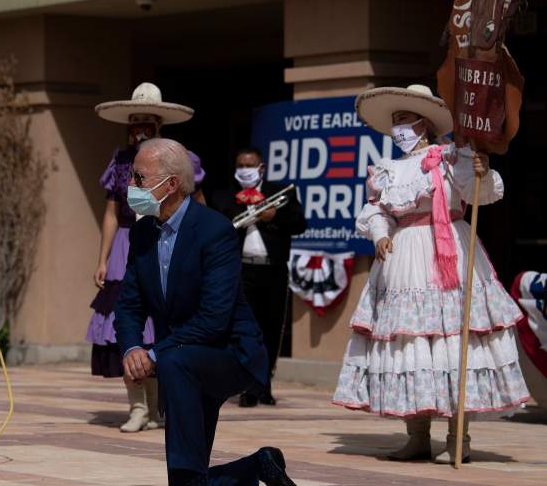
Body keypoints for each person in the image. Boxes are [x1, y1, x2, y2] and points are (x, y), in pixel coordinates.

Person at [332, 85, 530, 464]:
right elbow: (376, 210)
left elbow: (481, 194)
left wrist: (481, 171)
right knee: (410, 343)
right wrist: (380, 234)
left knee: (455, 343)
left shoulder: (451, 157)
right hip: (403, 259)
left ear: (424, 123)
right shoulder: (387, 169)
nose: (399, 129)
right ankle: (418, 435)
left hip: (448, 254)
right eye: (395, 123)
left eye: (404, 120)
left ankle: (459, 438)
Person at [114, 138, 296, 485]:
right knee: (190, 476)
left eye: (138, 178)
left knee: (175, 362)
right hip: (180, 358)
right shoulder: (142, 233)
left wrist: (155, 353)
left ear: (170, 184)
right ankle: (257, 466)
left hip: (228, 353)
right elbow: (129, 303)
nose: (130, 186)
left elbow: (215, 317)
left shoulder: (214, 230)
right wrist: (132, 348)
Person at [87, 83, 206, 433]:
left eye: (147, 121)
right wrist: (103, 258)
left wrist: (199, 250)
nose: (139, 126)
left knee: (163, 326)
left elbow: (198, 206)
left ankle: (158, 408)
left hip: (166, 238)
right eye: (134, 120)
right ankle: (137, 406)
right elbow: (111, 212)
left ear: (159, 124)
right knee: (129, 323)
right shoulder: (121, 161)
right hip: (128, 242)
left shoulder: (182, 159)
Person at [211, 147, 306, 407]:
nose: (245, 170)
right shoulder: (223, 197)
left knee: (271, 330)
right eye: (240, 165)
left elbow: (299, 224)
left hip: (273, 270)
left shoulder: (281, 192)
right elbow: (217, 231)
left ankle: (264, 386)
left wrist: (273, 217)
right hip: (240, 271)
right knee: (244, 331)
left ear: (261, 168)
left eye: (249, 165)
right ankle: (248, 386)